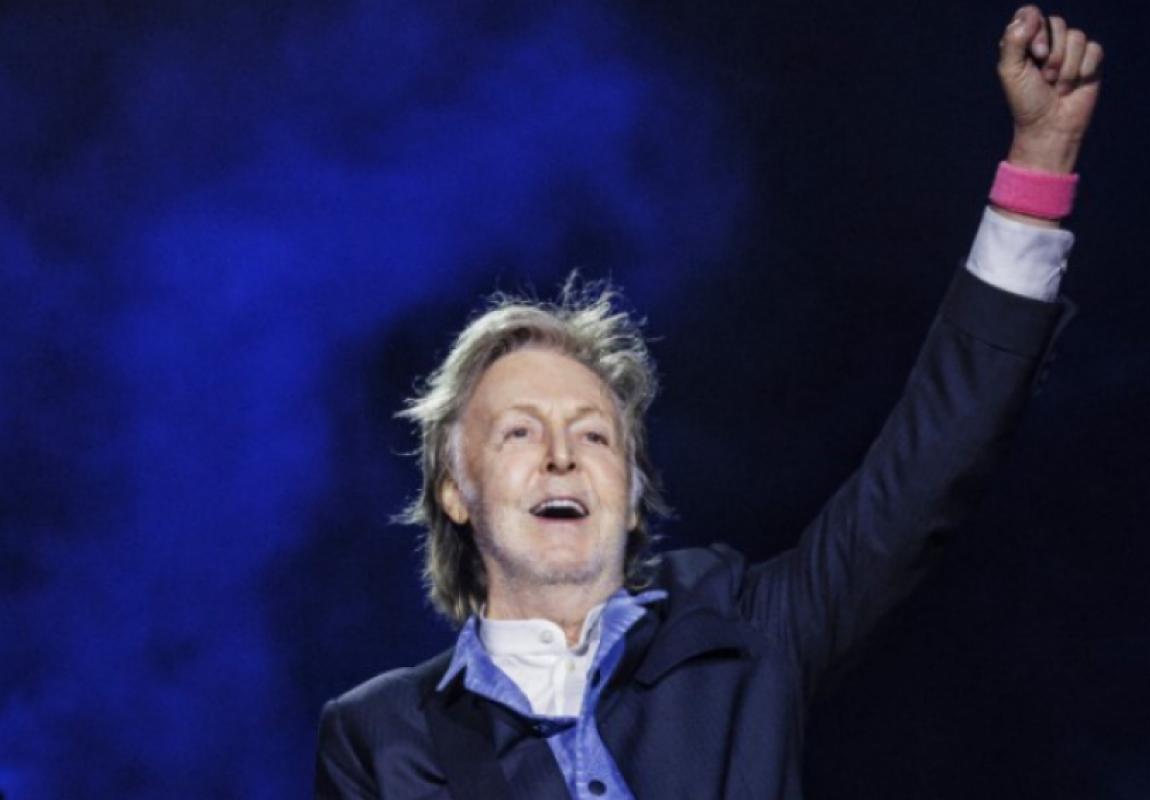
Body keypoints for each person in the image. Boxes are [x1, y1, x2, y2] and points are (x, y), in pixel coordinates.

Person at [315, 6, 1103, 798]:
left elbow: (929, 465)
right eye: (519, 432)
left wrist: (1040, 160)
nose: (561, 456)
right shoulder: (382, 734)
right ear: (455, 490)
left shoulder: (743, 629)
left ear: (632, 494)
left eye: (594, 437)